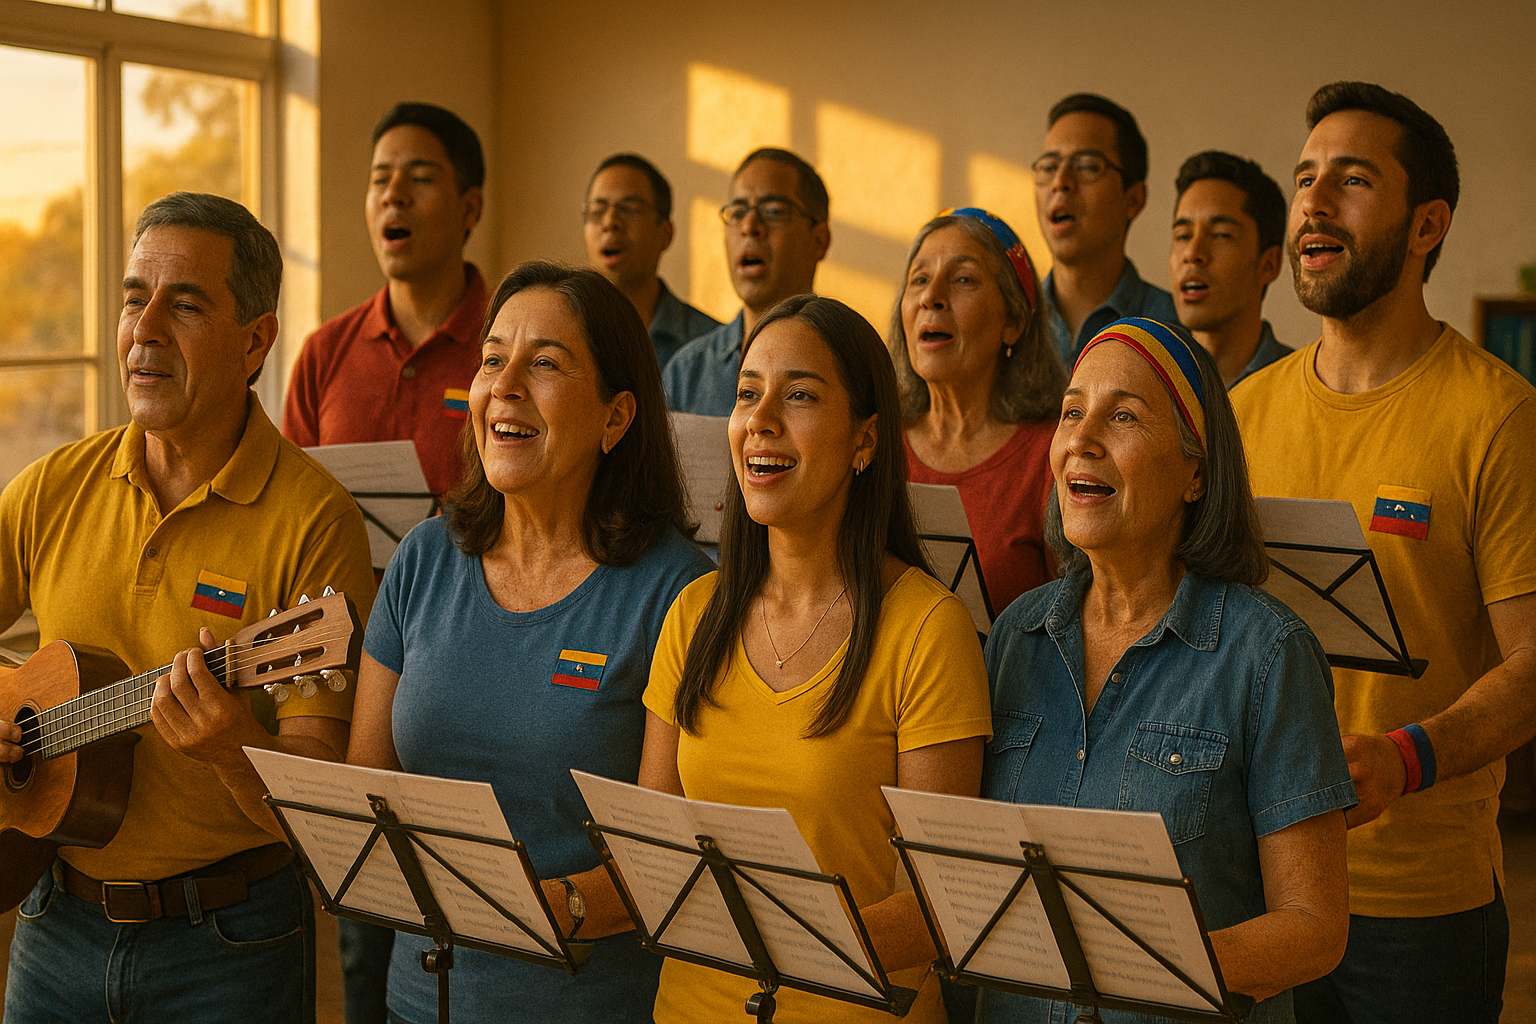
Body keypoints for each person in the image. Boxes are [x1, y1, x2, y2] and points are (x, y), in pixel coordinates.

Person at [0, 191, 376, 1024]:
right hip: (51, 919)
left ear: (256, 341)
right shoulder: (54, 486)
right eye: (136, 297)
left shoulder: (317, 523)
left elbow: (319, 809)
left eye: (186, 304)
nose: (146, 329)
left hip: (229, 945)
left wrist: (237, 748)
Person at [1233, 82, 1536, 1024]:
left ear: (1425, 224)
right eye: (1304, 178)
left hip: (1418, 906)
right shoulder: (1241, 412)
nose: (1314, 203)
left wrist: (1406, 758)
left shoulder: (1499, 416)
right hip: (1254, 878)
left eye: (1353, 180)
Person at [346, 261, 714, 1024]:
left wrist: (525, 907)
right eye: (492, 358)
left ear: (617, 419)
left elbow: (667, 865)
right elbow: (362, 803)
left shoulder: (677, 591)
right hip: (418, 1004)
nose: (504, 383)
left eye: (544, 363)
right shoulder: (422, 558)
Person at [979, 317, 1355, 1023]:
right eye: (1072, 412)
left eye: (1122, 415)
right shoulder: (1013, 638)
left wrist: (1133, 964)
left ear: (1196, 473)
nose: (1082, 439)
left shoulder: (1268, 654)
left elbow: (1313, 930)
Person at [641, 295, 994, 1023]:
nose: (760, 419)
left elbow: (940, 906)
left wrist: (782, 938)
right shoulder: (692, 614)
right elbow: (652, 848)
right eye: (747, 394)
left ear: (865, 441)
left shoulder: (929, 628)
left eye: (799, 395)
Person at [283, 102, 489, 499]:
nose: (393, 196)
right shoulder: (324, 353)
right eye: (380, 180)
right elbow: (291, 508)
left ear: (469, 208)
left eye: (421, 179)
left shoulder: (510, 350)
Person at [892, 207, 1066, 616]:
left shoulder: (1057, 454)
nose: (930, 297)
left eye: (963, 279)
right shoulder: (872, 442)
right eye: (919, 279)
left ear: (1014, 322)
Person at [663, 148, 831, 415]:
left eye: (774, 211)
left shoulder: (848, 363)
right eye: (738, 212)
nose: (750, 226)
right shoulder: (687, 373)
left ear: (819, 240)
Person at [1033, 93, 1178, 362]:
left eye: (1087, 166)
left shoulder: (1173, 330)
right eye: (1049, 166)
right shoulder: (1013, 324)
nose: (1060, 182)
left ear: (1133, 199)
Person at [584, 152, 719, 368]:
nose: (610, 222)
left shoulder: (714, 347)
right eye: (597, 211)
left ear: (665, 234)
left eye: (629, 209)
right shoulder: (562, 338)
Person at [1170, 151, 1290, 387]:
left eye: (1220, 235)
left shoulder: (1300, 388)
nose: (1193, 254)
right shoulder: (1149, 386)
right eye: (1183, 236)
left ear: (1269, 264)